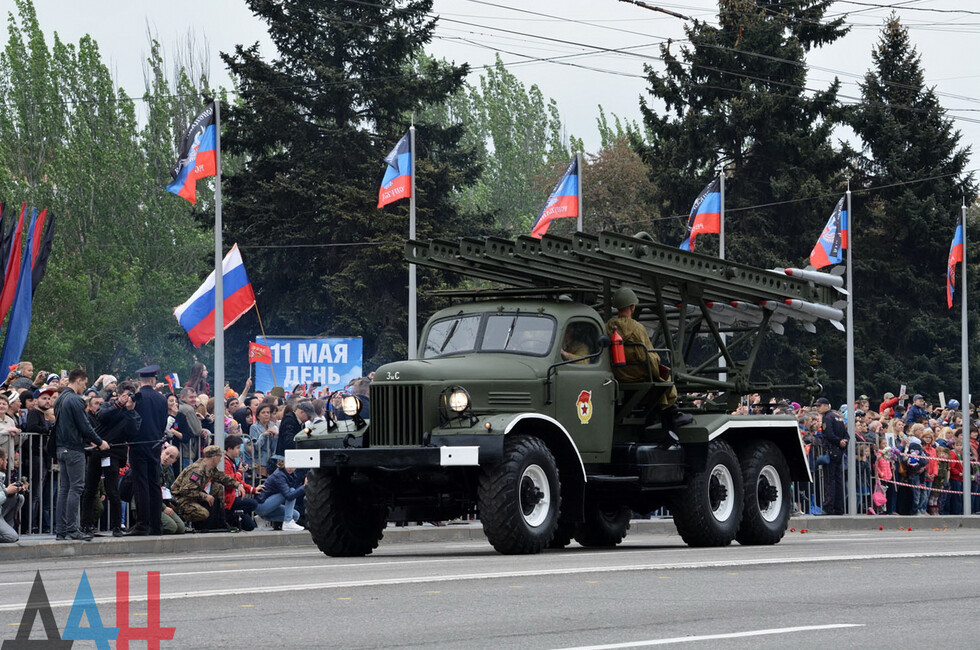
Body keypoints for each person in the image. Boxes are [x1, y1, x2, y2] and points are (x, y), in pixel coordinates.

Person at [604, 287, 691, 432]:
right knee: (665, 378)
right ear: (632, 307)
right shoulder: (638, 329)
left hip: (619, 375)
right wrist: (658, 371)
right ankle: (671, 413)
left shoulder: (607, 327)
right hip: (639, 376)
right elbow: (649, 356)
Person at [53, 369, 109, 541]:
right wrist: (100, 442)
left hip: (61, 448)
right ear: (78, 380)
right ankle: (72, 528)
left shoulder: (60, 398)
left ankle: (61, 530)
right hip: (73, 449)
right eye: (85, 383)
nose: (85, 386)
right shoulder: (75, 399)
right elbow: (84, 426)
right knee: (76, 489)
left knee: (65, 489)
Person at [81, 382, 138, 537]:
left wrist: (130, 411)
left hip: (114, 454)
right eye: (125, 395)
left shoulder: (132, 412)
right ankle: (85, 524)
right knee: (90, 489)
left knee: (113, 491)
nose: (127, 399)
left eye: (129, 395)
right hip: (97, 451)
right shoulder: (107, 406)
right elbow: (102, 416)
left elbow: (133, 432)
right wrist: (118, 405)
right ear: (119, 395)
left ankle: (116, 526)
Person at [128, 364, 168, 536]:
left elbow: (131, 420)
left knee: (141, 484)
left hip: (138, 444)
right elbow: (162, 422)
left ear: (140, 381)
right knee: (154, 484)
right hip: (155, 444)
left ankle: (143, 524)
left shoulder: (137, 397)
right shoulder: (161, 399)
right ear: (153, 380)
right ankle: (156, 524)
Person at [171, 445, 242, 531]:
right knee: (203, 514)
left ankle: (220, 521)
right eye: (219, 457)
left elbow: (222, 477)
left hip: (193, 496)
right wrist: (205, 496)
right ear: (214, 458)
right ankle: (186, 521)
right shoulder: (197, 470)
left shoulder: (209, 468)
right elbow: (185, 490)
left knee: (218, 487)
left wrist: (238, 485)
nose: (220, 460)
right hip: (180, 499)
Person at [222, 435, 262, 531]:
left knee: (250, 526)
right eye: (238, 448)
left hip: (235, 496)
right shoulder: (225, 462)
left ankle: (235, 517)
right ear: (229, 449)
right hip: (229, 499)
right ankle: (230, 517)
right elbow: (231, 481)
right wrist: (240, 472)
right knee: (252, 504)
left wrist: (252, 489)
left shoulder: (232, 461)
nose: (240, 450)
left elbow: (239, 481)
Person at [254, 455, 305, 531]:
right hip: (261, 504)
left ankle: (262, 517)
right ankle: (288, 522)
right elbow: (289, 496)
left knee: (295, 515)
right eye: (288, 465)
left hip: (269, 505)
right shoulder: (279, 475)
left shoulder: (289, 475)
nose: (290, 468)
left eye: (293, 466)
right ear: (283, 463)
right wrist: (304, 486)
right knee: (291, 491)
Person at [815, 396, 847, 515]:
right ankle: (839, 508)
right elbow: (846, 434)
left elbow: (828, 435)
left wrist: (838, 441)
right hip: (839, 452)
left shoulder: (827, 418)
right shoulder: (838, 417)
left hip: (831, 451)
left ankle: (828, 507)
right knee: (838, 481)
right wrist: (843, 442)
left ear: (827, 406)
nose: (817, 408)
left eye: (819, 405)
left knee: (829, 481)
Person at [158, 444, 185, 534]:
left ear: (174, 461)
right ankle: (146, 528)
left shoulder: (169, 472)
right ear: (162, 451)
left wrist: (170, 502)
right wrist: (164, 508)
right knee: (171, 527)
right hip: (150, 504)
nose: (167, 457)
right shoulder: (153, 467)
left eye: (171, 457)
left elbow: (167, 490)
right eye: (166, 453)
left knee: (181, 528)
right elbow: (150, 493)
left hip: (162, 504)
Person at [0, 447, 26, 542]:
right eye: (6, 460)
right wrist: (6, 491)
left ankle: (7, 528)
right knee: (12, 537)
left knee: (18, 497)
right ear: (0, 461)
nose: (7, 463)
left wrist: (12, 489)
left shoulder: (1, 476)